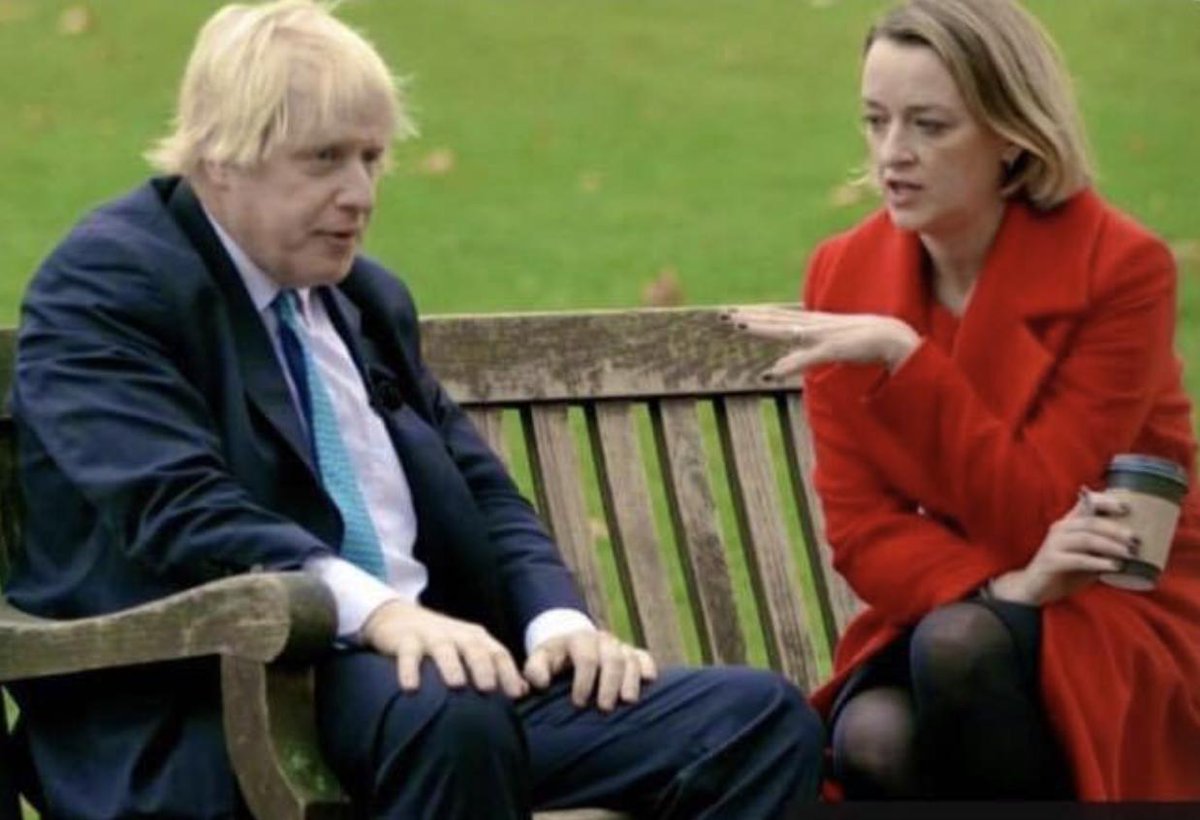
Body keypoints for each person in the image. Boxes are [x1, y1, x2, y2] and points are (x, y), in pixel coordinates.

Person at [7, 2, 825, 817]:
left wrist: (556, 623)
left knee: (752, 723)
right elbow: (178, 507)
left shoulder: (360, 298)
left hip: (431, 692)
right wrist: (382, 612)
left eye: (372, 158)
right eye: (325, 158)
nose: (359, 194)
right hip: (221, 701)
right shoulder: (111, 285)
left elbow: (483, 490)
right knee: (451, 713)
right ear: (223, 157)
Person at [728, 0, 1200, 801]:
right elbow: (861, 530)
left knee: (958, 652)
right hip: (955, 600)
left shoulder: (1120, 269)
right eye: (875, 121)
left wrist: (908, 363)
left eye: (930, 126)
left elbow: (1044, 508)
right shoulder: (845, 275)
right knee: (876, 736)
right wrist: (1005, 590)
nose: (892, 155)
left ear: (1012, 133)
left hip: (1120, 607)